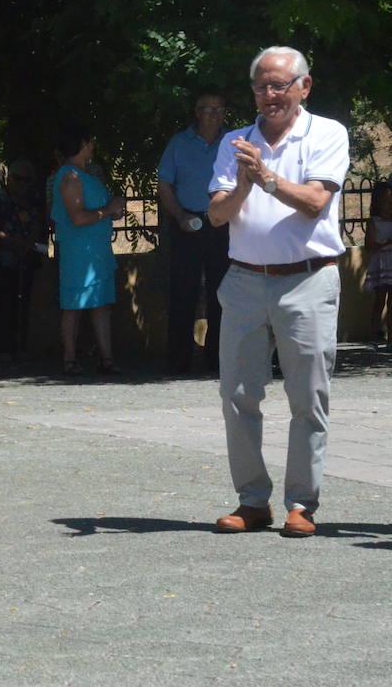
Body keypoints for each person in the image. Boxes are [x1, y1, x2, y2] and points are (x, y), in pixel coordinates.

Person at [208, 46, 349, 538]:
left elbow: (314, 202)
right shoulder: (235, 141)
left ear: (303, 87)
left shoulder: (327, 133)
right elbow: (217, 214)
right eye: (261, 87)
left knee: (307, 396)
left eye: (279, 85)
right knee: (237, 395)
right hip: (245, 280)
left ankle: (301, 504)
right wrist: (246, 183)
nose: (269, 95)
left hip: (308, 279)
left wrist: (266, 177)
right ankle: (251, 501)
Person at [159, 89, 229, 374]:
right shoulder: (179, 143)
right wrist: (179, 215)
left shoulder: (234, 142)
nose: (214, 114)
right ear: (197, 113)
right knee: (183, 291)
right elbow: (164, 183)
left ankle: (218, 358)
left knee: (222, 293)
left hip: (223, 225)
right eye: (208, 109)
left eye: (219, 109)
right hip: (187, 223)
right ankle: (179, 360)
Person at [50, 124, 127, 376]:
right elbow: (78, 217)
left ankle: (107, 357)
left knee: (101, 303)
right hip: (78, 251)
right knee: (73, 304)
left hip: (97, 250)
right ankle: (69, 359)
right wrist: (108, 209)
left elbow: (96, 210)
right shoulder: (69, 176)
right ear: (81, 144)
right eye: (89, 141)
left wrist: (110, 211)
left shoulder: (87, 174)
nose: (92, 146)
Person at [0, 159, 47, 362]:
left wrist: (27, 245)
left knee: (23, 305)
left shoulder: (33, 200)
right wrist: (12, 243)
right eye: (18, 178)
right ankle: (1, 350)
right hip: (1, 261)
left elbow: (38, 224)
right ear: (9, 179)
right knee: (2, 306)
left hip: (25, 260)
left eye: (27, 180)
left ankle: (20, 347)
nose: (22, 184)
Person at [362, 181, 392, 345]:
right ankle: (374, 335)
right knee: (379, 301)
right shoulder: (373, 222)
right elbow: (369, 246)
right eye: (387, 203)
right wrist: (386, 242)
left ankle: (390, 337)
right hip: (381, 264)